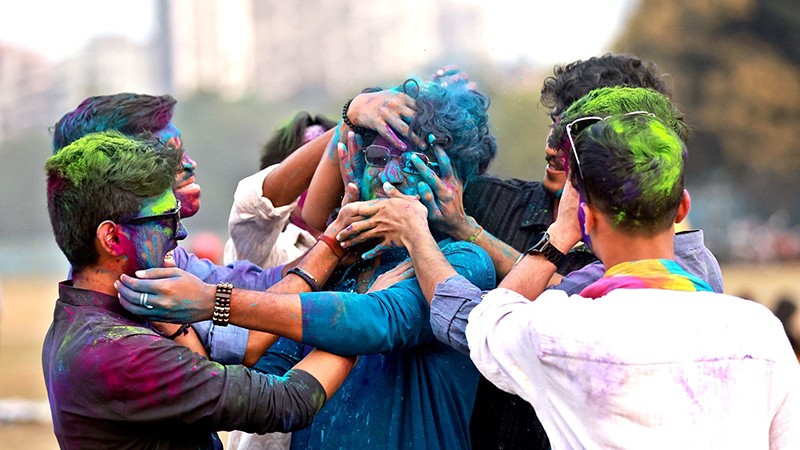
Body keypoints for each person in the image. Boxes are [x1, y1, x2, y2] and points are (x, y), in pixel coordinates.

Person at [337, 57, 723, 449]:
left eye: (575, 137)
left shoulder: (590, 309)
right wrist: (355, 114)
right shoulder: (758, 331)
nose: (551, 146)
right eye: (556, 122)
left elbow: (476, 325)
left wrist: (461, 232)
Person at [116, 78, 497, 449]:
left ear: (455, 179)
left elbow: (376, 321)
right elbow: (267, 373)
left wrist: (212, 301)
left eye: (418, 163)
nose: (391, 177)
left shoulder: (462, 265)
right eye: (379, 158)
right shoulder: (338, 268)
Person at [465, 103, 800, 448]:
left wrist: (561, 233)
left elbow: (489, 319)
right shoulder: (759, 333)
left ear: (587, 219)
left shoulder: (559, 331)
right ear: (683, 207)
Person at [42, 131, 356, 449]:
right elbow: (287, 402)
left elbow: (239, 353)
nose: (180, 232)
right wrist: (367, 313)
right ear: (112, 238)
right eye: (167, 218)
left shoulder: (101, 311)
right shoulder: (122, 353)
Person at [223, 111, 336, 269]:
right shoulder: (264, 248)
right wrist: (347, 124)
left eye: (331, 168)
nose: (320, 180)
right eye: (307, 173)